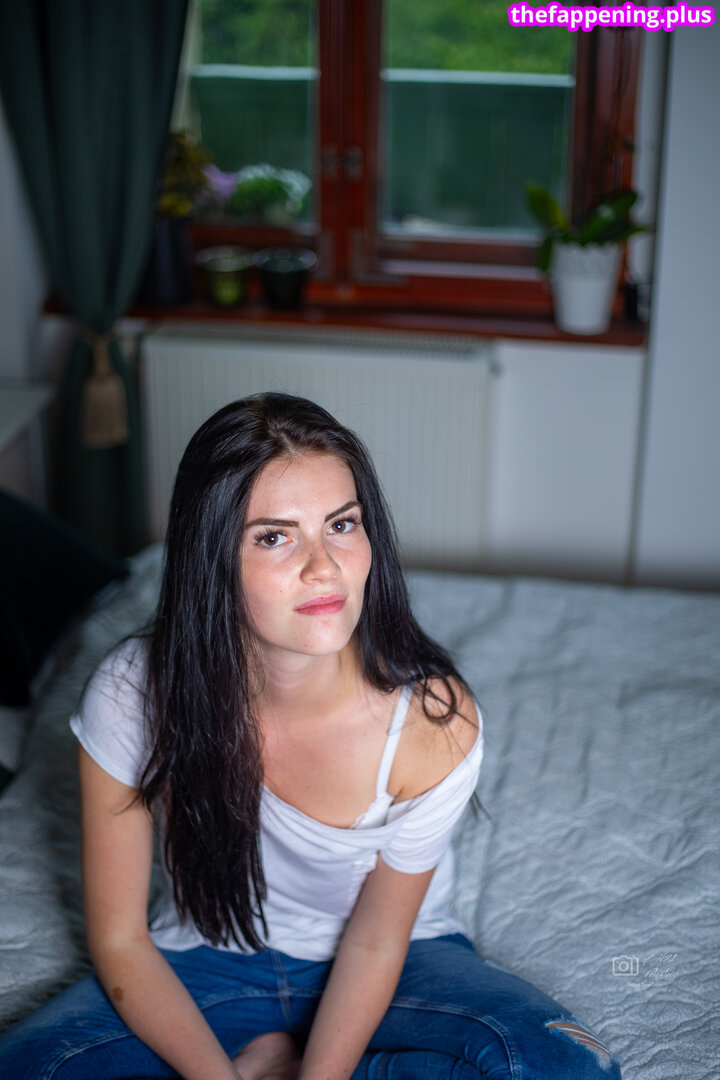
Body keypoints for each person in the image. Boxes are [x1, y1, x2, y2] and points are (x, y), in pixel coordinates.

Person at [0, 392, 621, 1080]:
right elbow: (121, 940)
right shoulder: (132, 692)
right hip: (208, 959)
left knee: (565, 1067)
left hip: (398, 961)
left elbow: (376, 943)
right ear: (211, 558)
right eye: (275, 536)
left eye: (342, 525)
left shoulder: (430, 721)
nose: (324, 567)